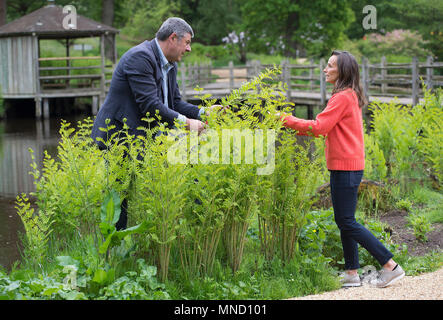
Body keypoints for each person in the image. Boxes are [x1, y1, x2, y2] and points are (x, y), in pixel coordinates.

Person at [278, 50, 405, 288]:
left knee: (346, 220)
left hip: (346, 167)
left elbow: (319, 127)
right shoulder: (349, 94)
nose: (325, 70)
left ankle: (390, 266)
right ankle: (352, 273)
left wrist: (284, 119)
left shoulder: (342, 97)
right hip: (346, 165)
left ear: (342, 71)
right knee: (345, 219)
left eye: (330, 66)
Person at [91, 17, 219, 230]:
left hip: (142, 137)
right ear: (172, 38)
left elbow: (174, 103)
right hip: (118, 136)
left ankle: (185, 232)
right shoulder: (140, 58)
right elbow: (150, 105)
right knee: (120, 195)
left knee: (181, 175)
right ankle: (114, 251)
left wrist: (204, 112)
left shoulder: (169, 64)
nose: (188, 49)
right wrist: (187, 123)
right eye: (187, 43)